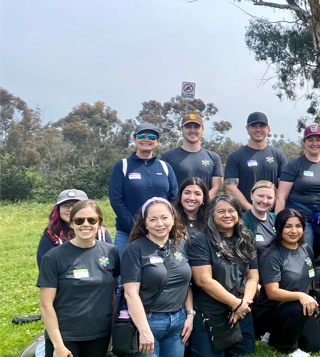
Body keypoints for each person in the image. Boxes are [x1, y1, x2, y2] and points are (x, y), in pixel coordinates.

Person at [27, 200, 119, 357]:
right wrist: (59, 345)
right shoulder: (54, 257)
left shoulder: (111, 253)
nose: (85, 224)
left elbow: (112, 295)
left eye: (91, 220)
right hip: (66, 335)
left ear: (99, 223)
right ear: (71, 223)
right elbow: (46, 304)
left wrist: (111, 331)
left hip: (97, 334)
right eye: (79, 220)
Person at [103, 197, 193, 357]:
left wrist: (190, 314)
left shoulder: (181, 243)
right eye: (153, 219)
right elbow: (130, 293)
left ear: (173, 218)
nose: (160, 223)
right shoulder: (135, 250)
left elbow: (186, 283)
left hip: (177, 321)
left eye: (164, 217)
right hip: (148, 320)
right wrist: (144, 331)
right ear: (144, 223)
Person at [187, 195, 259, 357]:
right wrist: (235, 304)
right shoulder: (201, 241)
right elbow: (203, 280)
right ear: (212, 215)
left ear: (239, 214)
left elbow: (253, 276)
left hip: (240, 309)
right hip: (210, 312)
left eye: (232, 210)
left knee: (245, 355)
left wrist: (243, 304)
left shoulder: (246, 237)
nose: (227, 215)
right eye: (221, 211)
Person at [255, 208, 320, 357]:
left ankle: (273, 337)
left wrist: (310, 297)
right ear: (279, 228)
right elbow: (272, 292)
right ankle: (286, 347)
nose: (294, 231)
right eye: (288, 226)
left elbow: (310, 279)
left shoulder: (306, 249)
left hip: (298, 308)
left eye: (298, 226)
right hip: (271, 310)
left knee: (318, 346)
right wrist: (301, 296)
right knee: (298, 306)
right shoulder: (272, 254)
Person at [109, 123, 178, 254]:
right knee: (124, 273)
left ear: (157, 141)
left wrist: (160, 226)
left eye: (152, 136)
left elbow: (173, 199)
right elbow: (116, 200)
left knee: (159, 273)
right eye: (141, 135)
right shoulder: (122, 166)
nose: (146, 139)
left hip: (160, 233)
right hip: (127, 234)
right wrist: (137, 228)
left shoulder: (165, 167)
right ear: (135, 139)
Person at [276, 123, 320, 252]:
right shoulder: (294, 165)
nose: (314, 143)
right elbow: (281, 197)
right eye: (310, 140)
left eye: (318, 139)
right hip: (301, 220)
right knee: (304, 254)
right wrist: (277, 224)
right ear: (304, 142)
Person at [224, 112, 288, 210]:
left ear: (268, 129)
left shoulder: (278, 155)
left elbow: (283, 189)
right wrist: (251, 210)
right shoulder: (236, 156)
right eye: (254, 126)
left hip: (270, 216)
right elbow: (230, 188)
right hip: (244, 215)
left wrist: (269, 209)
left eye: (262, 126)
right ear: (247, 129)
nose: (258, 129)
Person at [37, 188, 111, 268]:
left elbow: (111, 264)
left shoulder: (101, 233)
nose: (70, 209)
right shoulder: (52, 234)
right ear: (58, 209)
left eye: (76, 205)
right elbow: (45, 268)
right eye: (65, 205)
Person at [161, 111, 223, 199]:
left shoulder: (214, 157)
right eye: (188, 127)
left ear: (202, 129)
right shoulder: (167, 157)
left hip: (205, 210)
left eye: (196, 127)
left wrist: (200, 202)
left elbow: (216, 188)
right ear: (181, 129)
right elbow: (165, 187)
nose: (193, 130)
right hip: (177, 210)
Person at [242, 180, 277, 256]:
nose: (264, 201)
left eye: (269, 197)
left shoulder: (276, 218)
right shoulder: (242, 220)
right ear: (251, 195)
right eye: (260, 196)